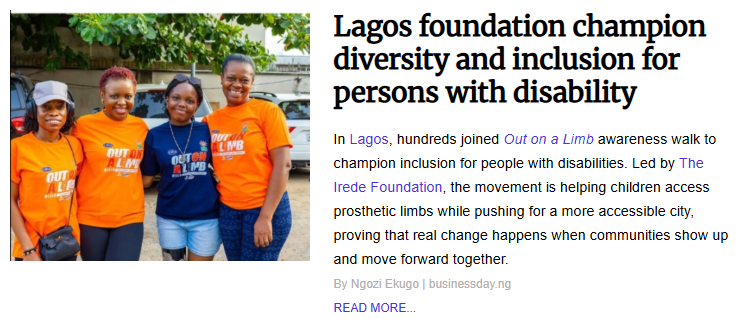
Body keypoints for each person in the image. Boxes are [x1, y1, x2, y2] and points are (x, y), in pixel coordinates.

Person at [202, 54, 293, 261]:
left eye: (244, 80)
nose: (237, 85)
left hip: (265, 207)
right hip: (228, 210)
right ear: (221, 78)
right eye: (231, 78)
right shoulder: (210, 120)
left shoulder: (267, 111)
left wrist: (265, 216)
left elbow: (283, 165)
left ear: (252, 82)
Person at [70, 66, 149, 261]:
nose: (122, 102)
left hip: (130, 217)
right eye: (115, 96)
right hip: (90, 218)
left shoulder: (140, 127)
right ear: (102, 95)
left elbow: (147, 170)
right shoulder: (83, 126)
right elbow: (72, 168)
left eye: (128, 96)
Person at [141, 74, 221, 261]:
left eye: (190, 100)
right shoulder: (154, 136)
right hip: (170, 218)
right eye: (176, 98)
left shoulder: (207, 131)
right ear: (167, 99)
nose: (182, 104)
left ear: (197, 104)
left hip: (206, 218)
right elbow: (145, 180)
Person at [11, 81, 84, 261]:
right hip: (32, 248)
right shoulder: (17, 147)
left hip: (66, 244)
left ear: (69, 111)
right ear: (33, 111)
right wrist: (28, 250)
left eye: (60, 107)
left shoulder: (74, 145)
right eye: (46, 107)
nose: (54, 112)